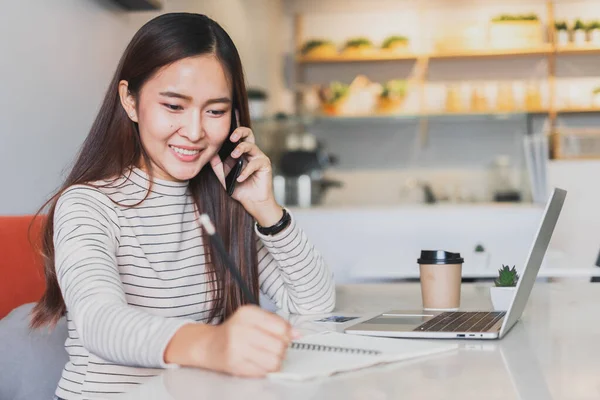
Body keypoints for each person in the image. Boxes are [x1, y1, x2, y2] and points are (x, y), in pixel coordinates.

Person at [29, 13, 335, 400]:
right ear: (131, 100)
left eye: (215, 111)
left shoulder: (224, 202)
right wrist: (213, 346)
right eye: (174, 106)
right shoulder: (89, 204)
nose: (194, 132)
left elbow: (315, 303)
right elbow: (99, 322)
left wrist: (266, 210)